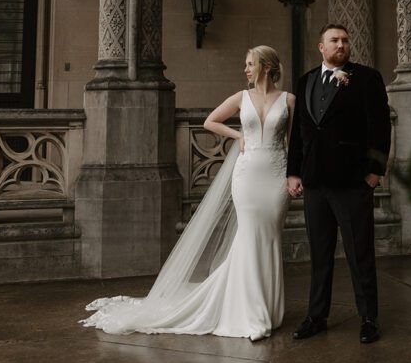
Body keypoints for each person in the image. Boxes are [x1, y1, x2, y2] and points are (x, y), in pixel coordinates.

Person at [81, 46, 294, 342]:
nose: (245, 69)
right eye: (245, 64)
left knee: (270, 238)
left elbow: (293, 144)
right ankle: (252, 313)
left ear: (267, 67)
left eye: (250, 64)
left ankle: (269, 308)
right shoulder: (240, 98)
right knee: (248, 237)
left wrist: (294, 176)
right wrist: (238, 135)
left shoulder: (289, 101)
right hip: (246, 177)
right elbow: (211, 121)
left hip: (275, 175)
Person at [287, 24, 391, 344]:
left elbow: (380, 127)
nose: (342, 44)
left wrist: (375, 170)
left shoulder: (367, 78)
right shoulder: (305, 81)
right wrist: (294, 172)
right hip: (315, 183)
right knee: (320, 253)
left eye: (346, 40)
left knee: (360, 253)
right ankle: (317, 316)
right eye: (335, 40)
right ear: (321, 47)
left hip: (352, 181)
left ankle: (369, 318)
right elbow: (300, 135)